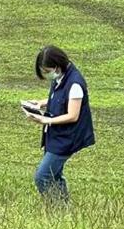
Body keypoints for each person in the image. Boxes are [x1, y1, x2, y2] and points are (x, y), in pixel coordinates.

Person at [21, 45, 96, 202]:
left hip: (67, 138)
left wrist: (46, 120)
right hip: (56, 135)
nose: (46, 74)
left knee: (43, 176)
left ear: (57, 66)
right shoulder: (60, 76)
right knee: (55, 175)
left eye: (47, 71)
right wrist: (40, 104)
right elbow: (60, 99)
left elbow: (73, 115)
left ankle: (57, 208)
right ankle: (64, 210)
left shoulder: (75, 84)